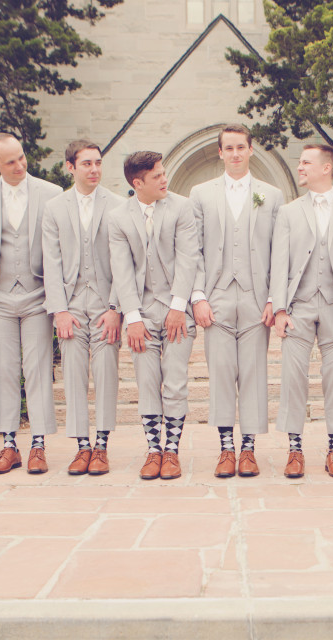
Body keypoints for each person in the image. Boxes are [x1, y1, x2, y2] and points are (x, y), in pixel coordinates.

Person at [190, 124, 284, 478]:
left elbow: (280, 252)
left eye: (240, 147)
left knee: (254, 374)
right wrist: (198, 296)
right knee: (221, 374)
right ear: (220, 153)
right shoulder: (200, 194)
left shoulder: (271, 195)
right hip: (215, 295)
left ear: (250, 150)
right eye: (228, 148)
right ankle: (226, 449)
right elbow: (193, 249)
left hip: (256, 297)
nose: (235, 154)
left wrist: (274, 298)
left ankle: (248, 450)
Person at [0, 133, 62, 475]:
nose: (20, 165)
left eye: (21, 157)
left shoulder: (51, 193)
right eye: (10, 162)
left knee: (37, 370)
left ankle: (38, 445)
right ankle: (9, 445)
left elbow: (59, 251)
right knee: (3, 370)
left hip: (38, 296)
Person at [270, 144, 333, 478]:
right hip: (299, 305)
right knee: (293, 378)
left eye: (306, 162)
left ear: (326, 168)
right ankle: (294, 450)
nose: (300, 167)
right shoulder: (288, 212)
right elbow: (279, 262)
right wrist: (280, 309)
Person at [109, 151, 199, 480]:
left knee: (174, 382)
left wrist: (178, 307)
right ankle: (153, 450)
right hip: (142, 313)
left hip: (177, 310)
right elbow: (121, 270)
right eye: (157, 176)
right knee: (147, 382)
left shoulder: (182, 207)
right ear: (138, 183)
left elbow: (188, 258)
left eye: (163, 173)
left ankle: (172, 451)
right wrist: (132, 318)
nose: (165, 179)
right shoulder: (118, 217)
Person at [41, 140, 121, 476]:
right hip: (71, 306)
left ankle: (101, 446)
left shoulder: (117, 205)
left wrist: (116, 308)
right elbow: (51, 262)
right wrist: (59, 310)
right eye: (87, 163)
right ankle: (82, 446)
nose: (94, 169)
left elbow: (124, 263)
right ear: (70, 167)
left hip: (105, 307)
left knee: (106, 375)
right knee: (73, 378)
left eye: (98, 163)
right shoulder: (54, 208)